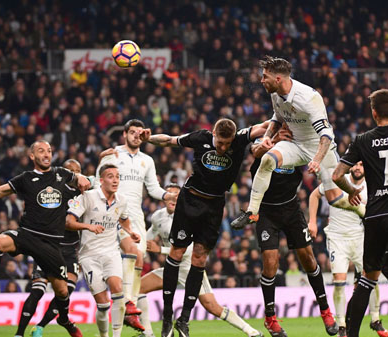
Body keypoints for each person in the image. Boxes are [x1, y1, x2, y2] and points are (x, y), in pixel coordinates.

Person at [140, 118, 267, 337]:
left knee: (199, 258)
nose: (224, 148)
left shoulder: (239, 140)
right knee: (177, 252)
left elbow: (265, 126)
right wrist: (148, 138)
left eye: (227, 144)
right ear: (214, 134)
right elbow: (170, 140)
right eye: (220, 142)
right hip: (190, 201)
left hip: (215, 205)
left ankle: (184, 320)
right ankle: (167, 317)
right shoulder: (202, 137)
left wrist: (282, 122)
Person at [0, 140, 91, 337]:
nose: (46, 154)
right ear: (32, 156)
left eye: (49, 151)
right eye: (41, 151)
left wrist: (81, 177)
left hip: (52, 244)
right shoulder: (25, 178)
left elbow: (83, 179)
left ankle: (63, 318)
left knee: (62, 292)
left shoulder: (61, 174)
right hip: (28, 234)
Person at [231, 55, 365, 230]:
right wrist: (267, 137)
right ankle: (252, 212)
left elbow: (326, 134)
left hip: (318, 147)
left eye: (265, 77)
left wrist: (317, 159)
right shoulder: (275, 94)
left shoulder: (309, 98)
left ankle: (364, 211)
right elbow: (277, 118)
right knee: (267, 160)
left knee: (335, 199)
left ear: (278, 79)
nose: (262, 80)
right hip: (294, 144)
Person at [332, 89, 388, 337]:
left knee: (367, 280)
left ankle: (351, 334)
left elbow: (337, 175)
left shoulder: (362, 140)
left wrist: (351, 190)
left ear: (374, 113)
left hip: (375, 217)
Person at [137, 184, 262, 337]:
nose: (173, 197)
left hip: (190, 268)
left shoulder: (187, 216)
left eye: (177, 194)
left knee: (212, 306)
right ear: (164, 198)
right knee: (138, 288)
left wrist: (160, 250)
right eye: (169, 194)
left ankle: (251, 331)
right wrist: (138, 245)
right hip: (171, 269)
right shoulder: (158, 216)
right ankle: (147, 333)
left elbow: (189, 249)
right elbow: (150, 234)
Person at [248, 125, 338, 337]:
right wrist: (274, 140)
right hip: (267, 212)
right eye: (284, 129)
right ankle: (270, 319)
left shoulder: (299, 147)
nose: (288, 132)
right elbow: (256, 152)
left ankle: (325, 311)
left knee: (309, 259)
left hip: (291, 209)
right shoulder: (266, 142)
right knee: (270, 263)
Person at [96, 119, 178, 331]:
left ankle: (128, 305)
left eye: (139, 133)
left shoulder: (147, 160)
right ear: (125, 134)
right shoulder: (113, 155)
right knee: (133, 253)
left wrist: (167, 195)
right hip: (115, 213)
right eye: (131, 132)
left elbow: (153, 188)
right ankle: (128, 302)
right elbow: (98, 183)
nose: (135, 136)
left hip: (136, 216)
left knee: (139, 256)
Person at [309, 161, 388, 337]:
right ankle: (342, 325)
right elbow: (314, 195)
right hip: (337, 238)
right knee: (339, 280)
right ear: (350, 167)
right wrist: (312, 221)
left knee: (371, 276)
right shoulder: (339, 180)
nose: (358, 168)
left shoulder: (373, 185)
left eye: (362, 165)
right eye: (355, 165)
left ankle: (375, 319)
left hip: (360, 237)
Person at [66, 164, 141, 337]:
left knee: (117, 289)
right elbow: (68, 222)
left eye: (117, 176)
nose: (115, 180)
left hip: (111, 252)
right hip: (89, 256)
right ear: (101, 180)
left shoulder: (121, 200)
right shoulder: (86, 197)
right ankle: (103, 335)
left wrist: (130, 232)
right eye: (110, 176)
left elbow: (124, 219)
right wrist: (88, 227)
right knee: (103, 305)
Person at [17, 159, 90, 337]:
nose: (75, 174)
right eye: (70, 170)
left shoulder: (87, 196)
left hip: (70, 251)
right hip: (47, 247)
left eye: (78, 170)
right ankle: (19, 333)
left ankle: (41, 326)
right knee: (37, 292)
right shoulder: (54, 192)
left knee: (65, 293)